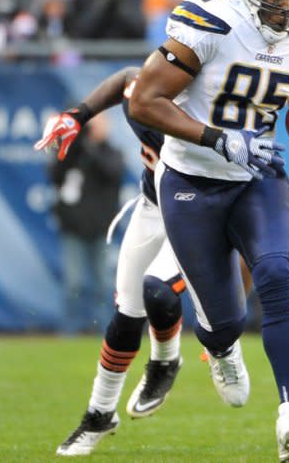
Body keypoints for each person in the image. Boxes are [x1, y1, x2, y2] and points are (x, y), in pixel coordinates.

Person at [128, 0, 289, 462]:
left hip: (259, 176)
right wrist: (216, 137)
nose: (288, 8)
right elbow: (146, 101)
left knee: (277, 274)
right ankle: (220, 348)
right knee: (225, 322)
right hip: (193, 182)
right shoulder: (209, 23)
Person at [36, 67, 189, 455]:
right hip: (154, 205)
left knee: (174, 299)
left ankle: (182, 357)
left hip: (200, 211)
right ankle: (99, 413)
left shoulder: (216, 106)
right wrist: (77, 116)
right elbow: (127, 78)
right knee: (127, 312)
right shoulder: (149, 91)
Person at [47, 111, 125, 334]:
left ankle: (107, 330)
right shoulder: (74, 152)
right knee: (74, 284)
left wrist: (91, 146)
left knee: (104, 283)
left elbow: (111, 171)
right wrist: (71, 141)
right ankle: (70, 330)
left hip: (102, 229)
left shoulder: (112, 152)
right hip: (74, 228)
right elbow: (55, 173)